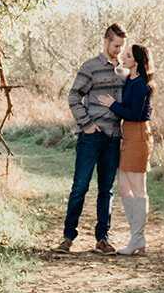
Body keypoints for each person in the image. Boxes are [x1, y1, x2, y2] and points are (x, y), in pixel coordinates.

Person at [58, 24, 126, 253]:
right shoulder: (91, 67)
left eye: (121, 46)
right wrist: (87, 125)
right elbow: (74, 96)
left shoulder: (125, 71)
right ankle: (68, 237)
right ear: (105, 42)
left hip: (114, 137)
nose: (118, 50)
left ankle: (102, 239)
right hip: (91, 137)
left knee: (106, 190)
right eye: (115, 45)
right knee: (80, 187)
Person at [102, 43, 153, 256]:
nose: (124, 56)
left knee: (138, 189)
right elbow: (118, 70)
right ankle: (137, 237)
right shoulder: (130, 79)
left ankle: (137, 239)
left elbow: (133, 113)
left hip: (139, 135)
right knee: (124, 187)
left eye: (129, 55)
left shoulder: (142, 84)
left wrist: (112, 104)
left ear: (138, 62)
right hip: (128, 136)